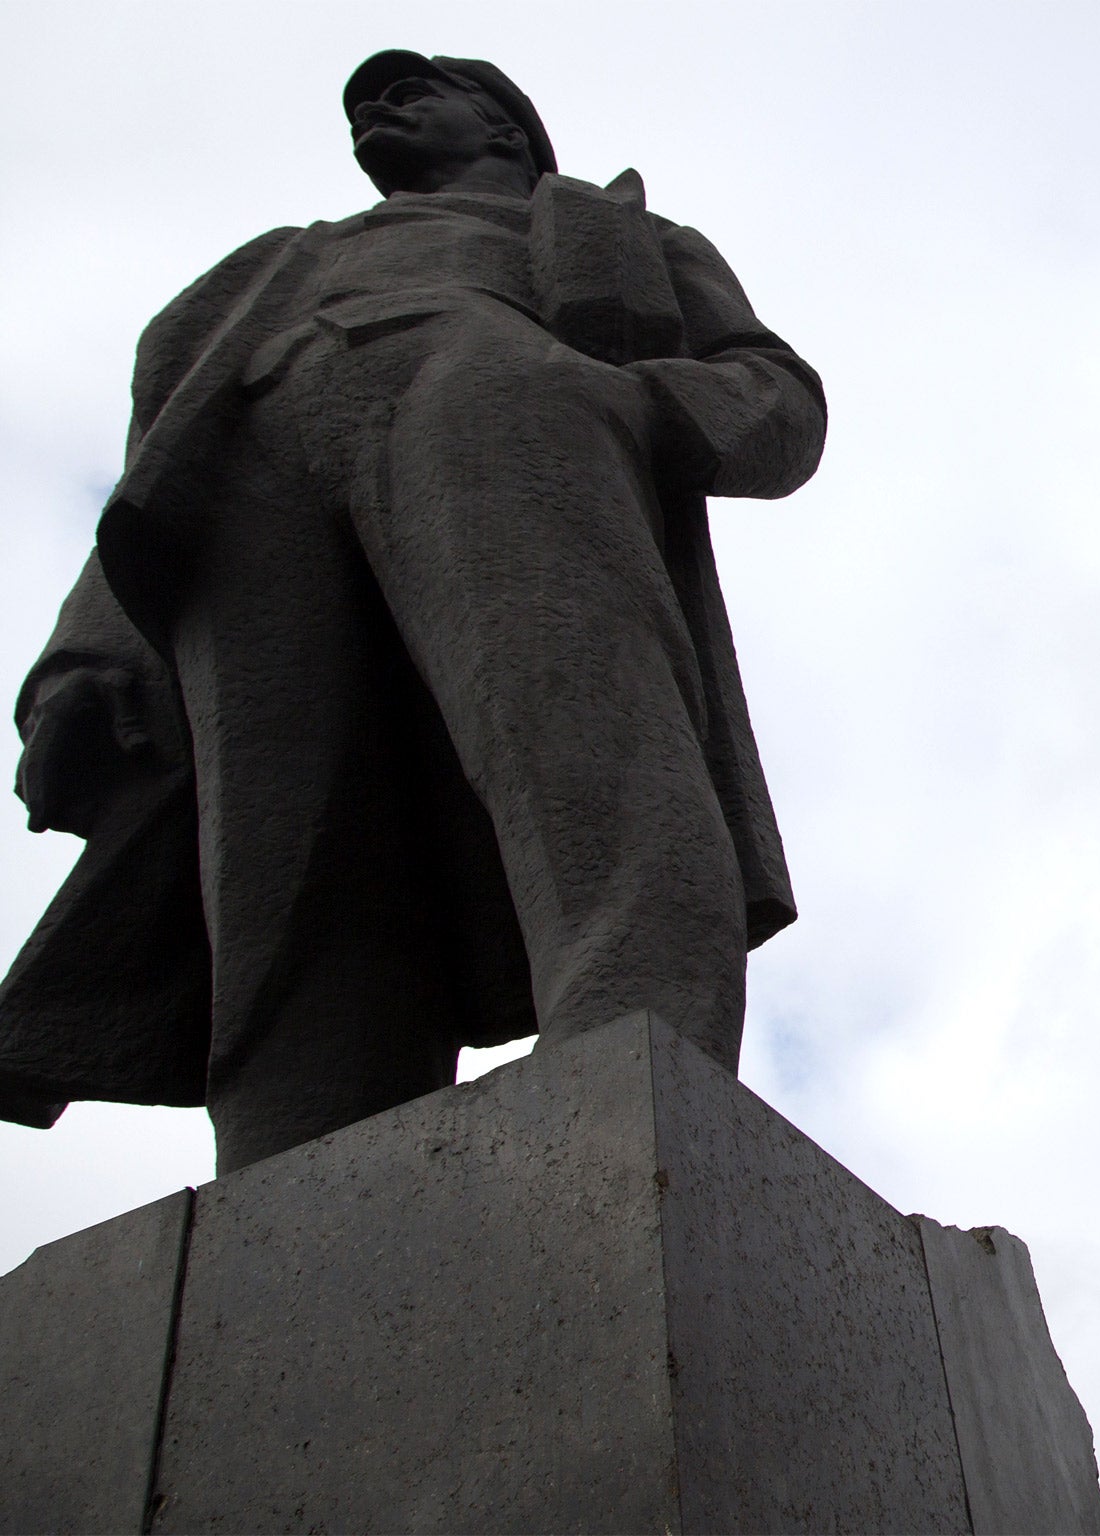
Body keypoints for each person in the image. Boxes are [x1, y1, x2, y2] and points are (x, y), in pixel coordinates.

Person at [0, 51, 826, 1173]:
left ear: (505, 128)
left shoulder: (616, 229)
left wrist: (620, 398)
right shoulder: (283, 265)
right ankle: (293, 1175)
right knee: (278, 848)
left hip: (486, 387)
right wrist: (84, 657)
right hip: (260, 454)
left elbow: (775, 392)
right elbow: (162, 477)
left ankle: (624, 1071)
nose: (376, 109)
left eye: (410, 90)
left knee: (578, 731)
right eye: (364, 103)